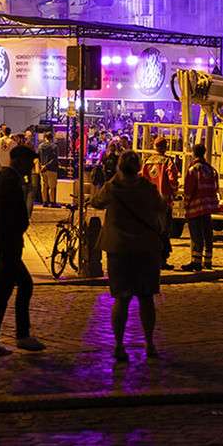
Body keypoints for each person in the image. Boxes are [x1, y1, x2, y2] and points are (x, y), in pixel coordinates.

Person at [90, 150, 166, 360]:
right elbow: (163, 206)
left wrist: (114, 178)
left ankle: (118, 345)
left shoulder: (112, 188)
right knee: (146, 297)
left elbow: (95, 202)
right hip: (146, 248)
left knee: (121, 299)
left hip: (119, 249)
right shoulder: (148, 188)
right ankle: (149, 343)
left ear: (119, 168)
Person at [0, 144, 46, 355]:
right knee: (3, 294)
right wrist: (1, 247)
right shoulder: (10, 182)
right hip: (8, 245)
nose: (30, 167)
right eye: (29, 162)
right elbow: (4, 215)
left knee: (21, 285)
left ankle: (19, 334)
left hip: (3, 244)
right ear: (18, 160)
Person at [180, 142, 220, 271]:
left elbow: (188, 189)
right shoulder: (211, 169)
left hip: (196, 207)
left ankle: (196, 263)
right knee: (207, 234)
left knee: (196, 235)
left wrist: (186, 206)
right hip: (208, 207)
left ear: (193, 153)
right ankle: (208, 261)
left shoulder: (193, 169)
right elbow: (215, 187)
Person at [142, 137, 179, 268]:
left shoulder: (146, 161)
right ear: (165, 147)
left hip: (148, 202)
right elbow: (173, 180)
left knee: (150, 230)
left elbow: (141, 179)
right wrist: (174, 192)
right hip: (164, 202)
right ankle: (161, 260)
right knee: (164, 231)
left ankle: (149, 258)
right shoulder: (168, 161)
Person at [37, 135, 60, 206]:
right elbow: (54, 159)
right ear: (51, 138)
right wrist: (47, 166)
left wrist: (42, 165)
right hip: (52, 169)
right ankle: (52, 202)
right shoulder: (54, 147)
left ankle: (44, 201)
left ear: (45, 138)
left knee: (43, 186)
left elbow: (38, 157)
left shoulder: (40, 146)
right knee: (52, 187)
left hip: (42, 169)